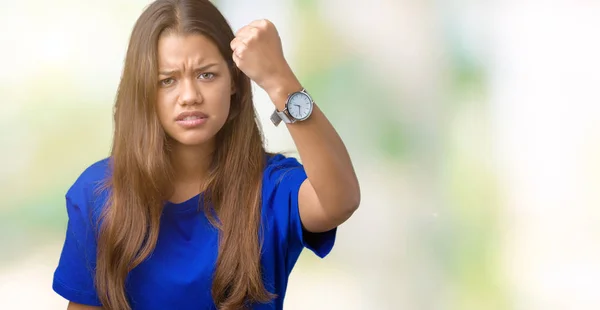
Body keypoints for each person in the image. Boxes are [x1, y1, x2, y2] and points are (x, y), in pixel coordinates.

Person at [52, 0, 360, 309]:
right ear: (144, 90)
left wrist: (280, 80)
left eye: (207, 75)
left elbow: (339, 202)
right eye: (167, 80)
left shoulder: (271, 188)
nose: (189, 97)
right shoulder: (97, 193)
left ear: (234, 84)